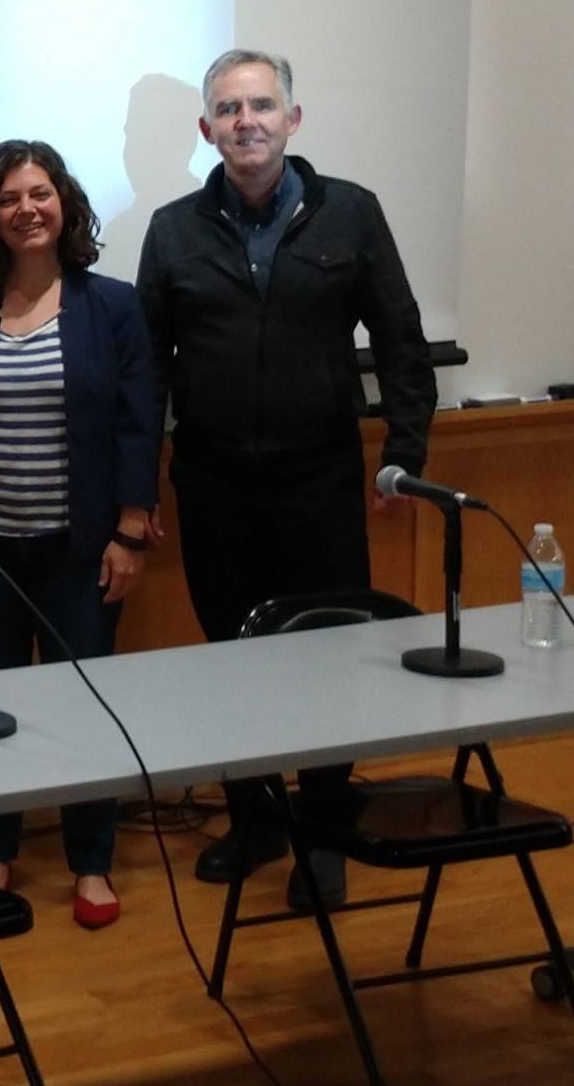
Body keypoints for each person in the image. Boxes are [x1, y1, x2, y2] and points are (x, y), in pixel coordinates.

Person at [136, 49, 436, 912]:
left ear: (292, 120)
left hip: (321, 481)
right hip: (214, 483)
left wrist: (405, 458)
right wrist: (137, 486)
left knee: (328, 660)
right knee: (234, 660)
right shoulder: (172, 228)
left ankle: (326, 833)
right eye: (228, 109)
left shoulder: (353, 214)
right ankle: (256, 820)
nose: (246, 122)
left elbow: (403, 346)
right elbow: (147, 366)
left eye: (262, 105)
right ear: (207, 131)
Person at [0, 139, 158, 929]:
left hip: (81, 547)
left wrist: (131, 531)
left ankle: (90, 862)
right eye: (8, 198)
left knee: (84, 703)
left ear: (65, 204)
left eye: (40, 193)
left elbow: (139, 422)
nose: (26, 208)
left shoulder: (113, 304)